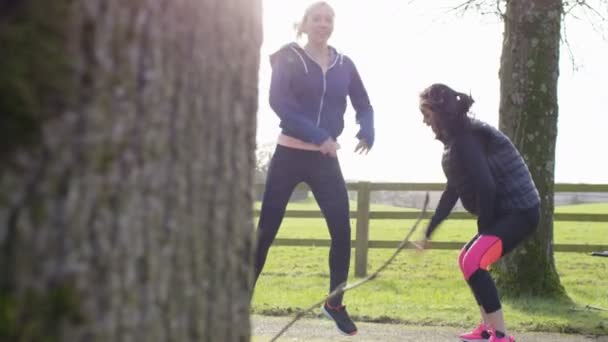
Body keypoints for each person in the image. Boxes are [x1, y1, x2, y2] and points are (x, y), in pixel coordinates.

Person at [253, 1, 375, 336]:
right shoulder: (288, 56)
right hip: (289, 155)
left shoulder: (344, 64)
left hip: (325, 160)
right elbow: (280, 102)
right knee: (265, 232)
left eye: (328, 19)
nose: (323, 24)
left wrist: (367, 128)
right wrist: (318, 135)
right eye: (316, 19)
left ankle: (334, 303)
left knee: (342, 232)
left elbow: (363, 103)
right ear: (304, 24)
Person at [415, 83, 541, 342]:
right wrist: (429, 231)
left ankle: (502, 335)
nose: (425, 121)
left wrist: (485, 226)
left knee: (474, 261)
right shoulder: (456, 141)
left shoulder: (467, 138)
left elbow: (486, 185)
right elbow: (453, 191)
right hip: (507, 212)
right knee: (466, 259)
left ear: (440, 112)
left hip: (520, 212)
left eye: (426, 114)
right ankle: (486, 329)